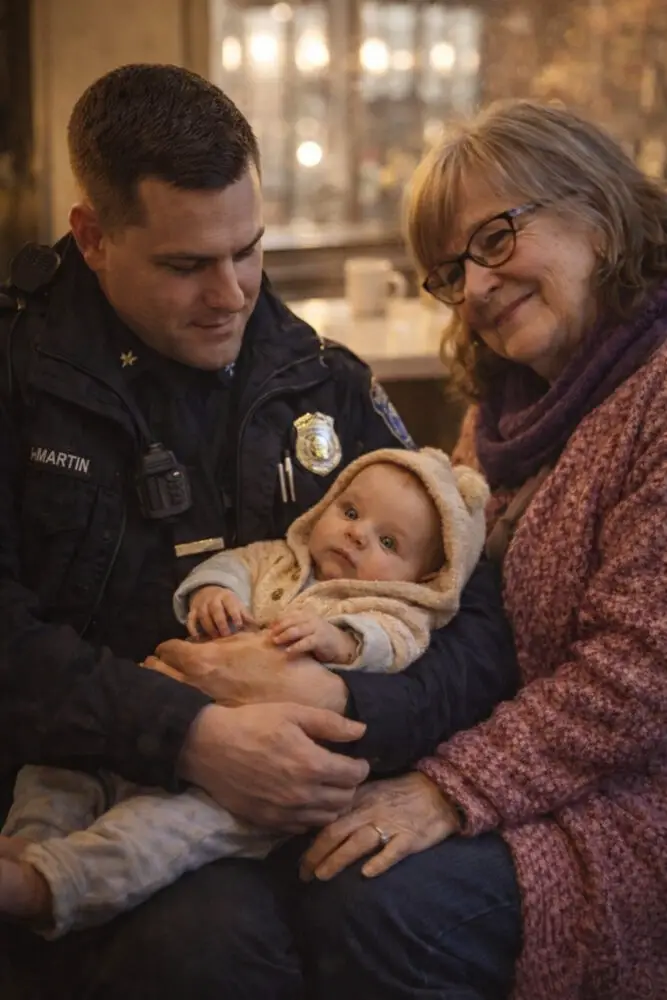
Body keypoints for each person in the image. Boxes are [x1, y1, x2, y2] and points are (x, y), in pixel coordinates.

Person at [0, 64, 517, 998]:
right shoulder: (21, 385)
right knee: (207, 948)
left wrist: (347, 709)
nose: (232, 293)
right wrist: (189, 735)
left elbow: (476, 630)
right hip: (92, 784)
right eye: (186, 265)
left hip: (322, 781)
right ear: (92, 236)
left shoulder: (325, 383)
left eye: (249, 250)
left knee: (399, 909)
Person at [280, 98, 667, 1000]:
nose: (478, 287)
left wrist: (448, 789)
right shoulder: (500, 416)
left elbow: (642, 670)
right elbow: (443, 608)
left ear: (598, 211)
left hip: (636, 794)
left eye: (495, 239)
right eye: (451, 271)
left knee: (373, 902)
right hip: (539, 766)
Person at [0, 447, 488, 938]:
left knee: (160, 832)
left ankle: (53, 886)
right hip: (157, 723)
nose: (358, 534)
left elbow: (395, 644)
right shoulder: (276, 557)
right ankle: (28, 840)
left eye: (387, 541)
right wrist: (215, 592)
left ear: (425, 580)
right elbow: (231, 564)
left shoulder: (390, 609)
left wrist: (339, 640)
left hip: (252, 789)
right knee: (58, 768)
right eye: (351, 512)